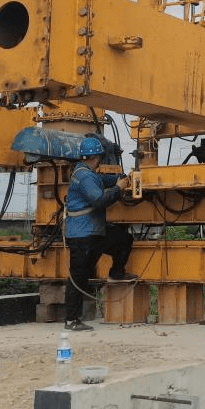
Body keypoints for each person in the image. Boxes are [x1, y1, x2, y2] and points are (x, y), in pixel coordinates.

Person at [63, 134, 134, 332]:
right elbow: (99, 200)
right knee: (78, 277)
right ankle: (71, 320)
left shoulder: (87, 172)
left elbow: (102, 179)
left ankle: (116, 272)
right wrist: (119, 189)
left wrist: (120, 178)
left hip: (93, 233)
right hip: (82, 236)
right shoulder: (84, 176)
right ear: (98, 158)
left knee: (123, 239)